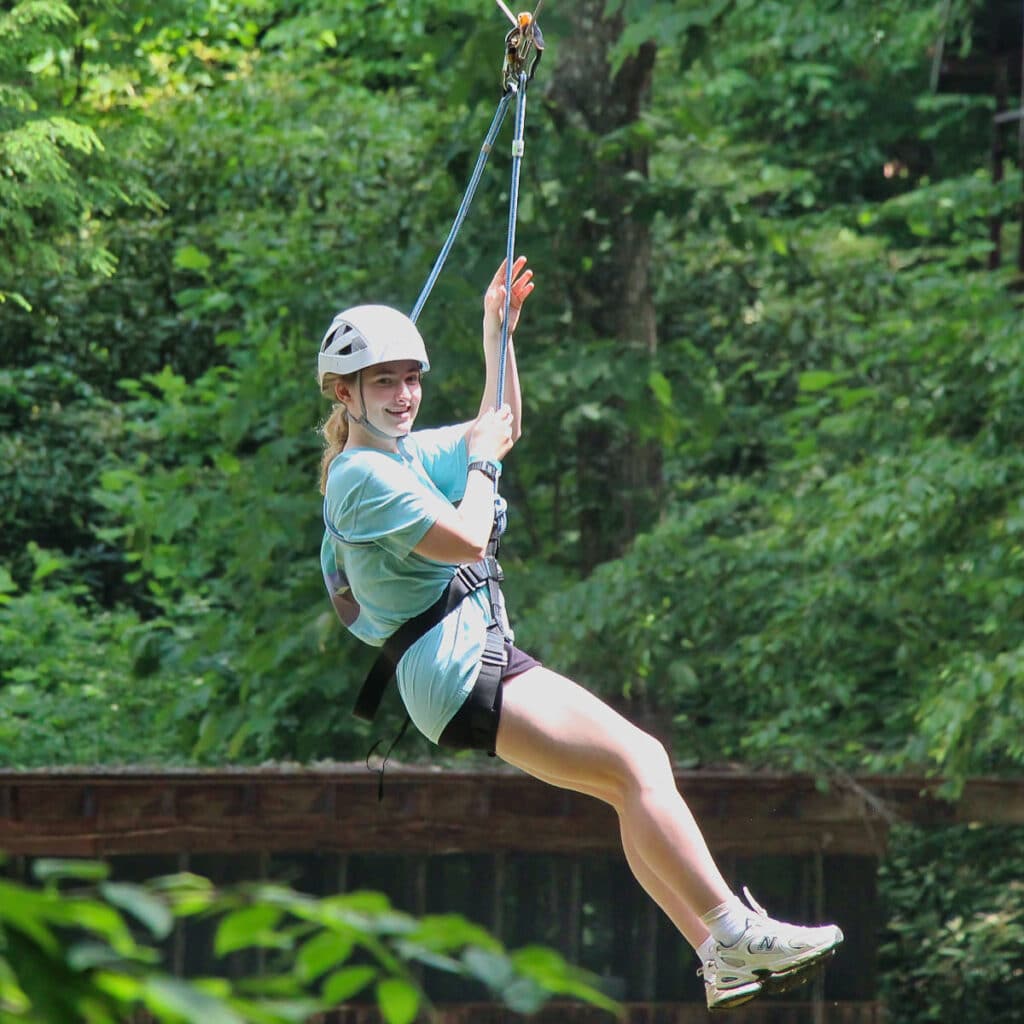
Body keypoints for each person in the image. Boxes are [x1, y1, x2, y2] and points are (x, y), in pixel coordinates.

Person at [316, 256, 843, 1011]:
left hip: (460, 666)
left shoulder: (396, 453)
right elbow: (468, 536)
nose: (405, 396)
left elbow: (502, 428)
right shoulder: (360, 479)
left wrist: (498, 332)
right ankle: (734, 931)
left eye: (412, 379)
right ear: (345, 392)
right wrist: (484, 468)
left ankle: (716, 954)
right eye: (385, 382)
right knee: (640, 761)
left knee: (627, 785)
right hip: (458, 667)